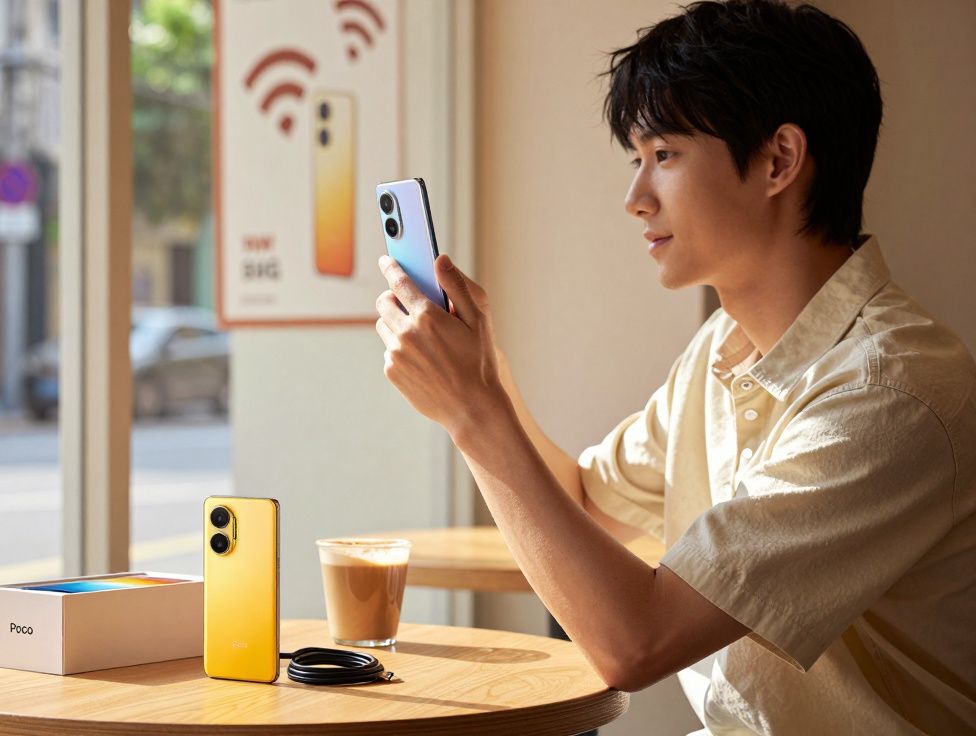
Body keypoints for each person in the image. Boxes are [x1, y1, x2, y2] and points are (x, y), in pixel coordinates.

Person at [373, 1, 973, 734]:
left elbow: (638, 641)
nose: (635, 198)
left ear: (779, 160)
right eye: (637, 159)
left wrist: (474, 414)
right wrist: (484, 374)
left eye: (664, 155)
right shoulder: (722, 350)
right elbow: (588, 502)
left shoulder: (890, 393)